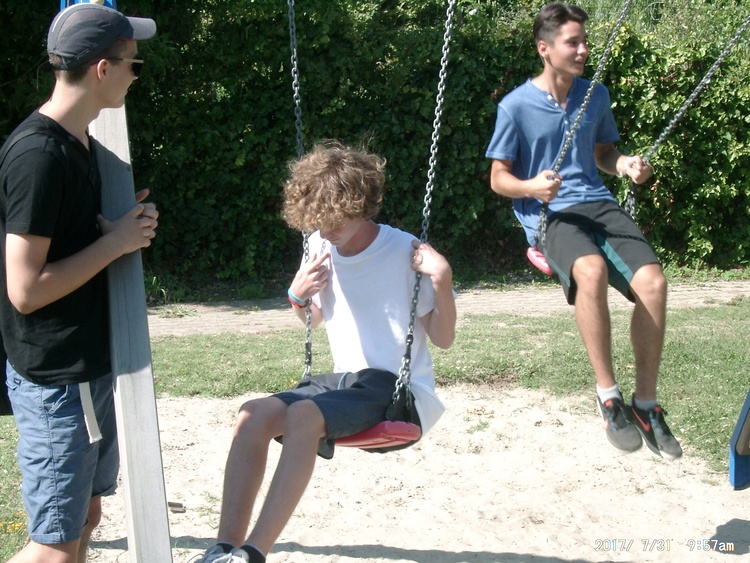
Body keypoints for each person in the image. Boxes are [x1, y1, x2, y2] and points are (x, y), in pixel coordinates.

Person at [196, 141, 457, 563]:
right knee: (251, 414)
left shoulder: (405, 253)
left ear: (361, 204)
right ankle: (222, 549)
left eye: (335, 219)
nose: (327, 229)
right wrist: (296, 297)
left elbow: (443, 338)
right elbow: (314, 318)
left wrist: (442, 279)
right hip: (346, 383)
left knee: (303, 415)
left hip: (398, 392)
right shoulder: (319, 244)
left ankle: (252, 554)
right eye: (318, 220)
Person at [485, 3, 682, 460]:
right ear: (545, 48)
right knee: (590, 270)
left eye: (584, 42)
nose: (582, 50)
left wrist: (626, 164)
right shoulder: (515, 106)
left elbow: (603, 154)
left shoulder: (595, 95)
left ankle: (645, 404)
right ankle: (608, 397)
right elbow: (498, 178)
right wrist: (531, 187)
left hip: (598, 203)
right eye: (572, 42)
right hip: (550, 214)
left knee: (654, 283)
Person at [0, 4, 158, 562]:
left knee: (86, 516)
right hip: (57, 379)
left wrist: (112, 229)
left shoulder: (80, 142)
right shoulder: (38, 156)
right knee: (55, 548)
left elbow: (65, 242)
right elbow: (25, 290)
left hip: (85, 369)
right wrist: (116, 244)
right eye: (133, 64)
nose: (135, 75)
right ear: (102, 68)